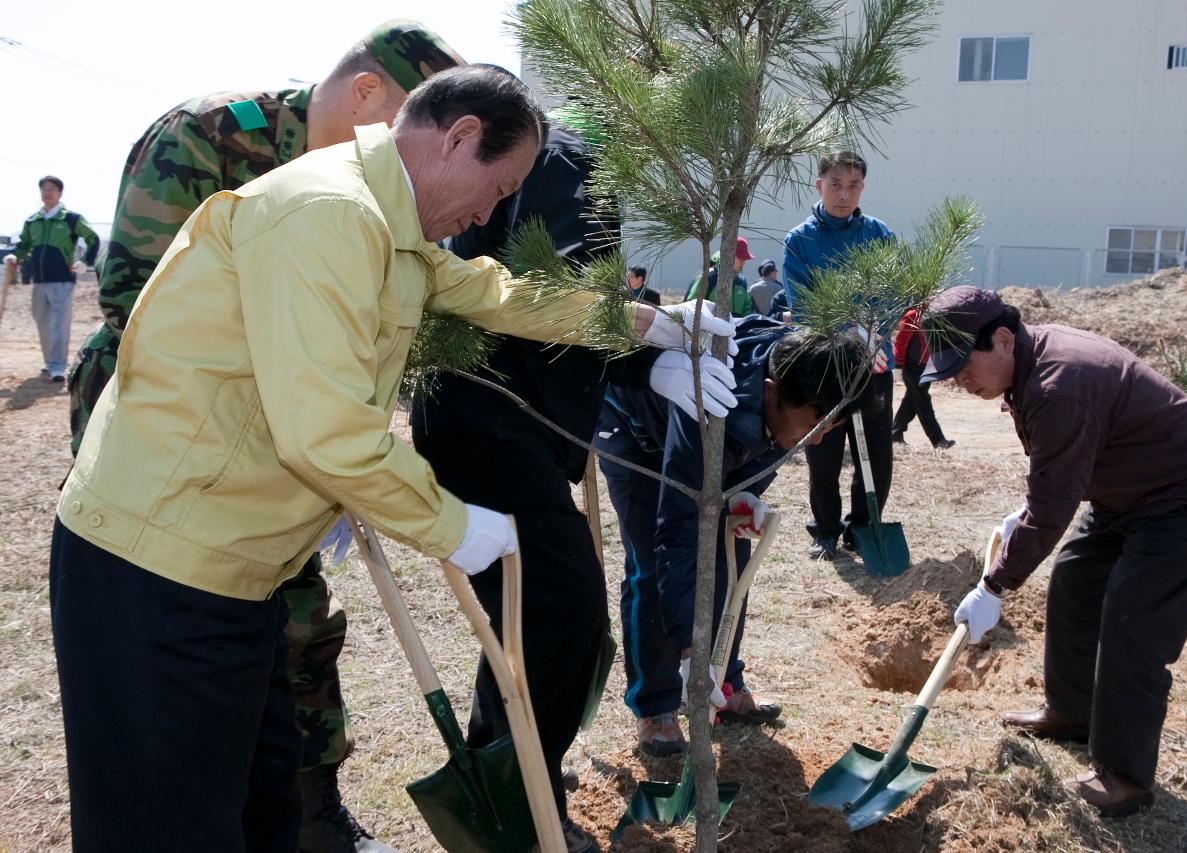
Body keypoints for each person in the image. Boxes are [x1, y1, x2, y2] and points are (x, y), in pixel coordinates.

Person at [50, 65, 732, 852]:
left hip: (236, 575)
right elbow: (327, 431)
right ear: (460, 137)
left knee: (260, 811)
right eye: (499, 187)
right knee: (167, 828)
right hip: (156, 568)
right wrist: (452, 524)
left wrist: (649, 323)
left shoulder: (390, 228)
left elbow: (499, 293)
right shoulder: (328, 212)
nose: (494, 210)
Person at [57, 22, 462, 852]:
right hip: (172, 441)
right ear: (366, 95)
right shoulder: (211, 137)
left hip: (293, 443)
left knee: (298, 629)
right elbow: (141, 305)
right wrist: (312, 428)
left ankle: (306, 814)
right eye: (414, 130)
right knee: (174, 663)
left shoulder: (379, 197)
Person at [410, 114, 737, 853]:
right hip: (489, 418)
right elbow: (541, 303)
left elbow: (566, 311)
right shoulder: (566, 164)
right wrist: (647, 340)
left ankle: (519, 779)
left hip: (505, 420)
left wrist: (641, 365)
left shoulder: (582, 165)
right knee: (568, 612)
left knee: (528, 621)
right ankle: (524, 806)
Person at [924, 286, 1187, 818]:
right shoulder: (1033, 364)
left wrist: (993, 586)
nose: (959, 381)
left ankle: (1124, 776)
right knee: (1075, 576)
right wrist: (1026, 514)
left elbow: (1053, 508)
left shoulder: (1059, 385)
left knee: (1132, 621)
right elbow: (1059, 475)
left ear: (1002, 339)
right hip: (1129, 490)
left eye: (964, 365)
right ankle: (1073, 711)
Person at [595, 320, 862, 756]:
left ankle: (724, 678)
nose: (821, 437)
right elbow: (676, 530)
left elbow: (768, 447)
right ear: (772, 393)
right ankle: (657, 704)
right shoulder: (713, 404)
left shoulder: (799, 371)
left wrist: (745, 493)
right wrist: (687, 651)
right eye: (817, 423)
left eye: (831, 425)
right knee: (651, 560)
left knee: (729, 551)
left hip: (714, 435)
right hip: (635, 428)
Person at [782, 150, 895, 561]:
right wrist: (851, 334)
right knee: (824, 453)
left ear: (862, 187)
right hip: (823, 365)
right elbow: (804, 306)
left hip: (874, 362)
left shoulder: (880, 235)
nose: (843, 194)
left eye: (853, 185)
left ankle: (862, 527)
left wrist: (872, 335)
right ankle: (826, 529)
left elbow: (895, 295)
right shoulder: (800, 241)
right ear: (819, 185)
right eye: (835, 184)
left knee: (878, 456)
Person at [3, 176, 99, 382]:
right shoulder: (32, 221)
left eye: (52, 189)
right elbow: (24, 244)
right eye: (44, 189)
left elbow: (93, 239)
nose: (47, 193)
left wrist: (85, 262)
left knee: (58, 324)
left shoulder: (71, 219)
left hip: (62, 280)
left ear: (60, 193)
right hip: (39, 281)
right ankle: (49, 361)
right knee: (42, 323)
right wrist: (14, 256)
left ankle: (58, 366)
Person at [890, 306, 953, 449]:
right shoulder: (913, 315)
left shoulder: (936, 314)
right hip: (912, 366)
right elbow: (901, 341)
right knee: (923, 402)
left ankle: (895, 432)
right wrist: (898, 365)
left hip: (927, 365)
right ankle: (938, 440)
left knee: (911, 401)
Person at [685, 236, 755, 317]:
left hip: (736, 329)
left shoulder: (742, 282)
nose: (743, 262)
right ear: (729, 255)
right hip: (708, 328)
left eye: (744, 258)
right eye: (740, 258)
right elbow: (691, 305)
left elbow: (748, 309)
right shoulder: (708, 277)